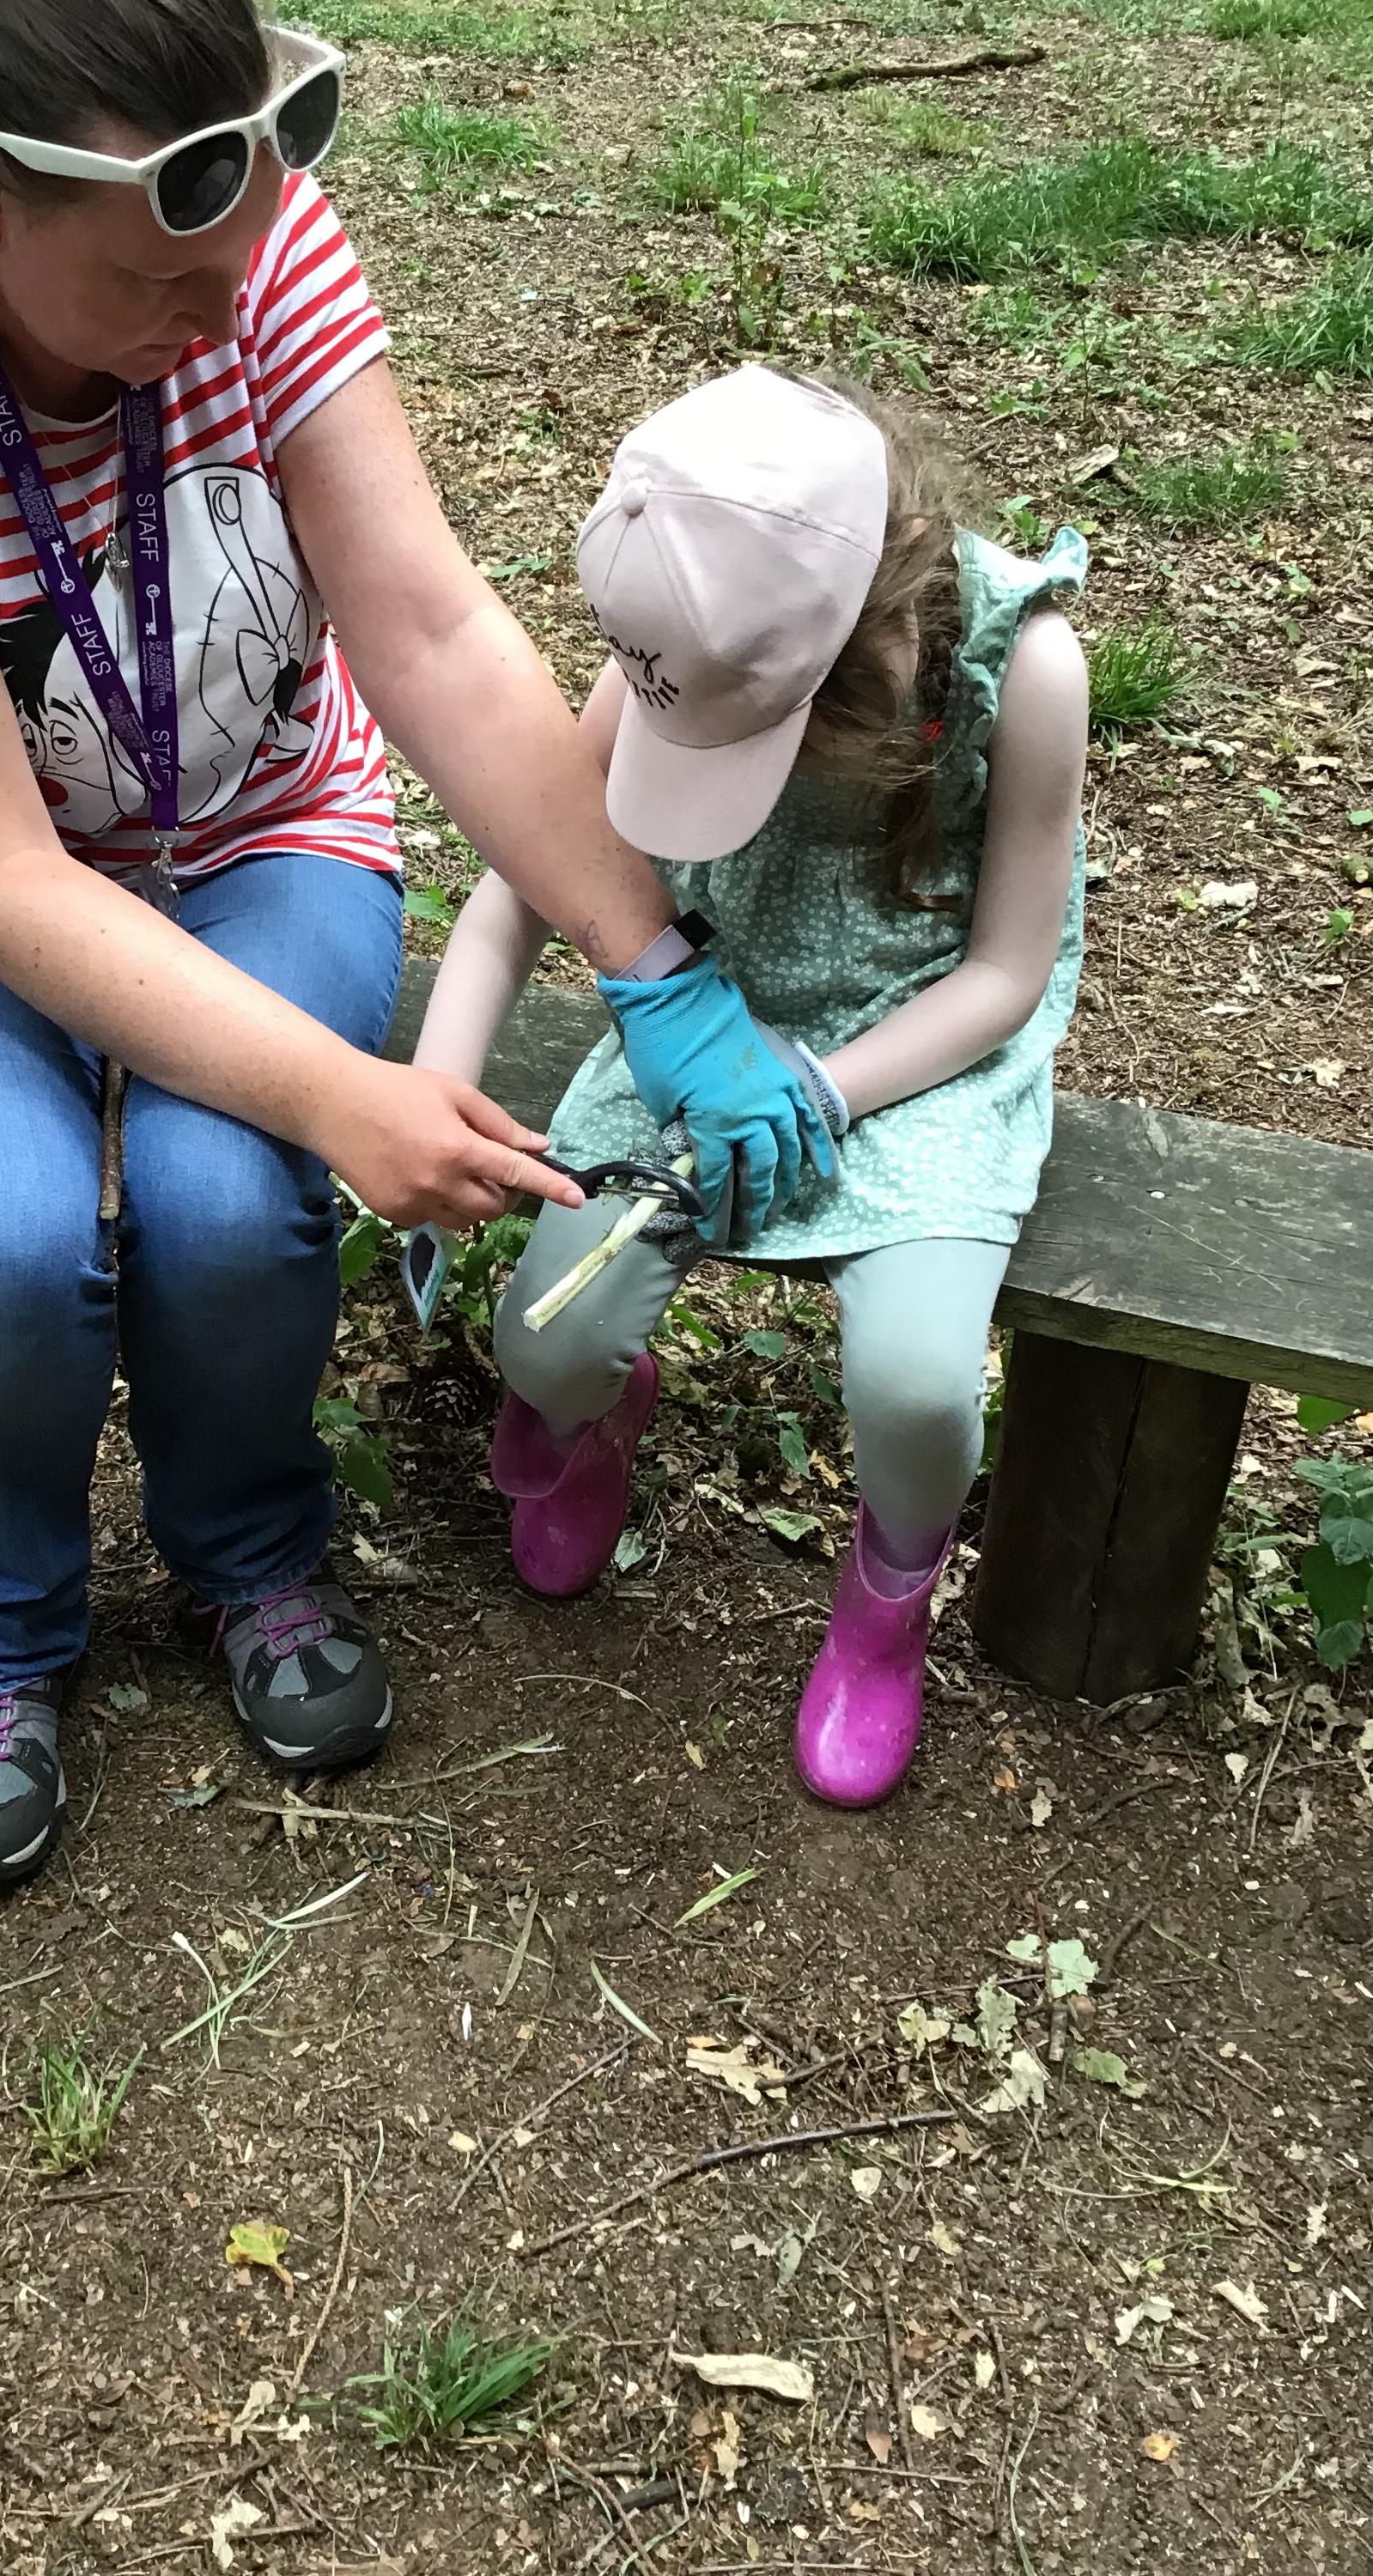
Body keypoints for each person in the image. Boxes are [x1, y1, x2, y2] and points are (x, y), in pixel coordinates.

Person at [0, 0, 807, 1894]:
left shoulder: (242, 220)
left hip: (266, 823)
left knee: (228, 1208)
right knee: (0, 1239)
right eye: (160, 286)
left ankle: (249, 1552)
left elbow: (434, 631)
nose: (223, 316)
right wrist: (343, 1091)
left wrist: (654, 965)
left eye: (238, 263)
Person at [414, 365, 1090, 1807]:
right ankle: (601, 1416)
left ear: (865, 647)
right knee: (548, 1336)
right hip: (698, 1023)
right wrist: (436, 1080)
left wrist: (828, 1091)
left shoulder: (1022, 672)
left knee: (916, 1387)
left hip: (917, 1061)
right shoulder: (686, 648)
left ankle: (887, 1601)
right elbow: (524, 882)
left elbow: (1006, 975)